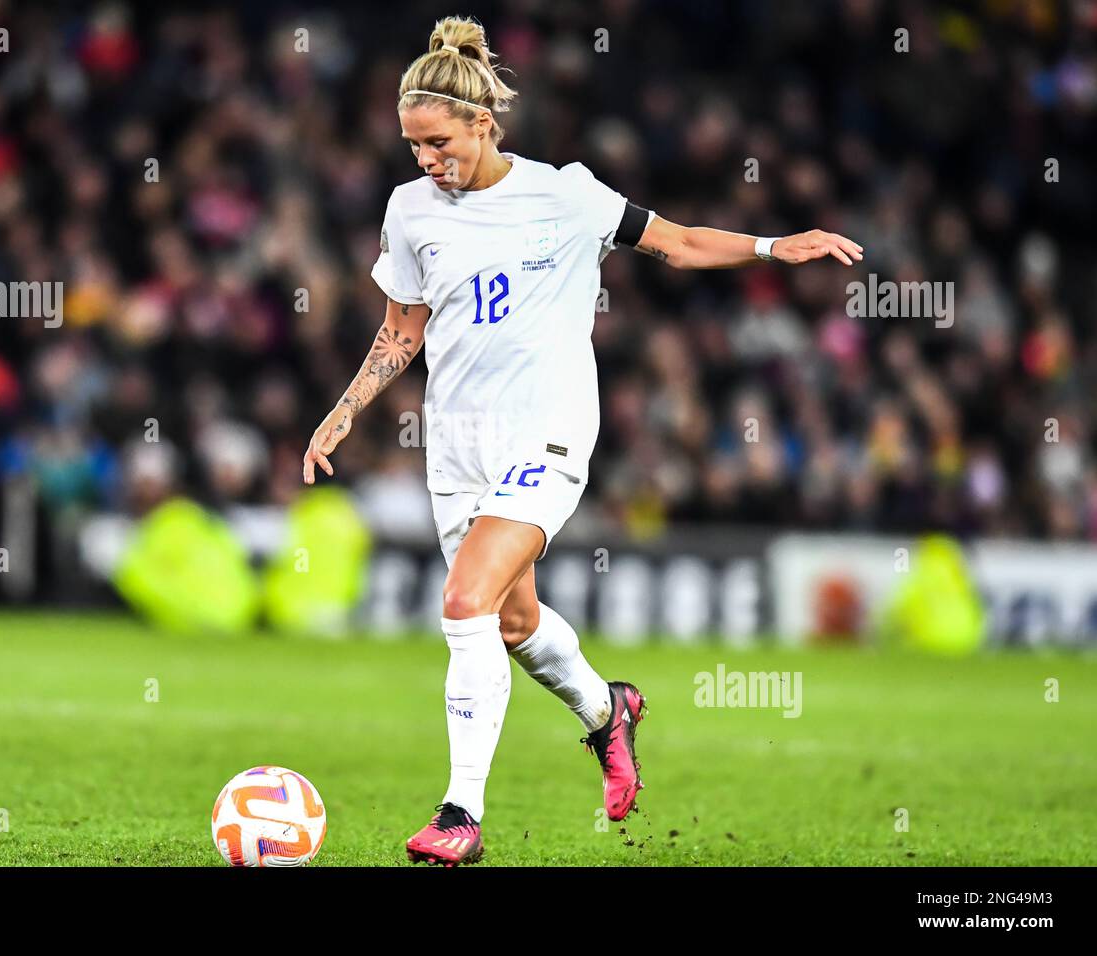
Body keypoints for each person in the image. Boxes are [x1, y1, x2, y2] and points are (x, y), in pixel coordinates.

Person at [302, 15, 862, 866]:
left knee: (463, 604)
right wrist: (344, 410)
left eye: (439, 142)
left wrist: (772, 245)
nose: (426, 160)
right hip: (457, 447)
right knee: (516, 622)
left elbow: (674, 243)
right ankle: (609, 712)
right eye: (413, 145)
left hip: (549, 435)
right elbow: (400, 332)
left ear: (483, 125)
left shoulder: (566, 194)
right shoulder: (410, 210)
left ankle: (460, 815)